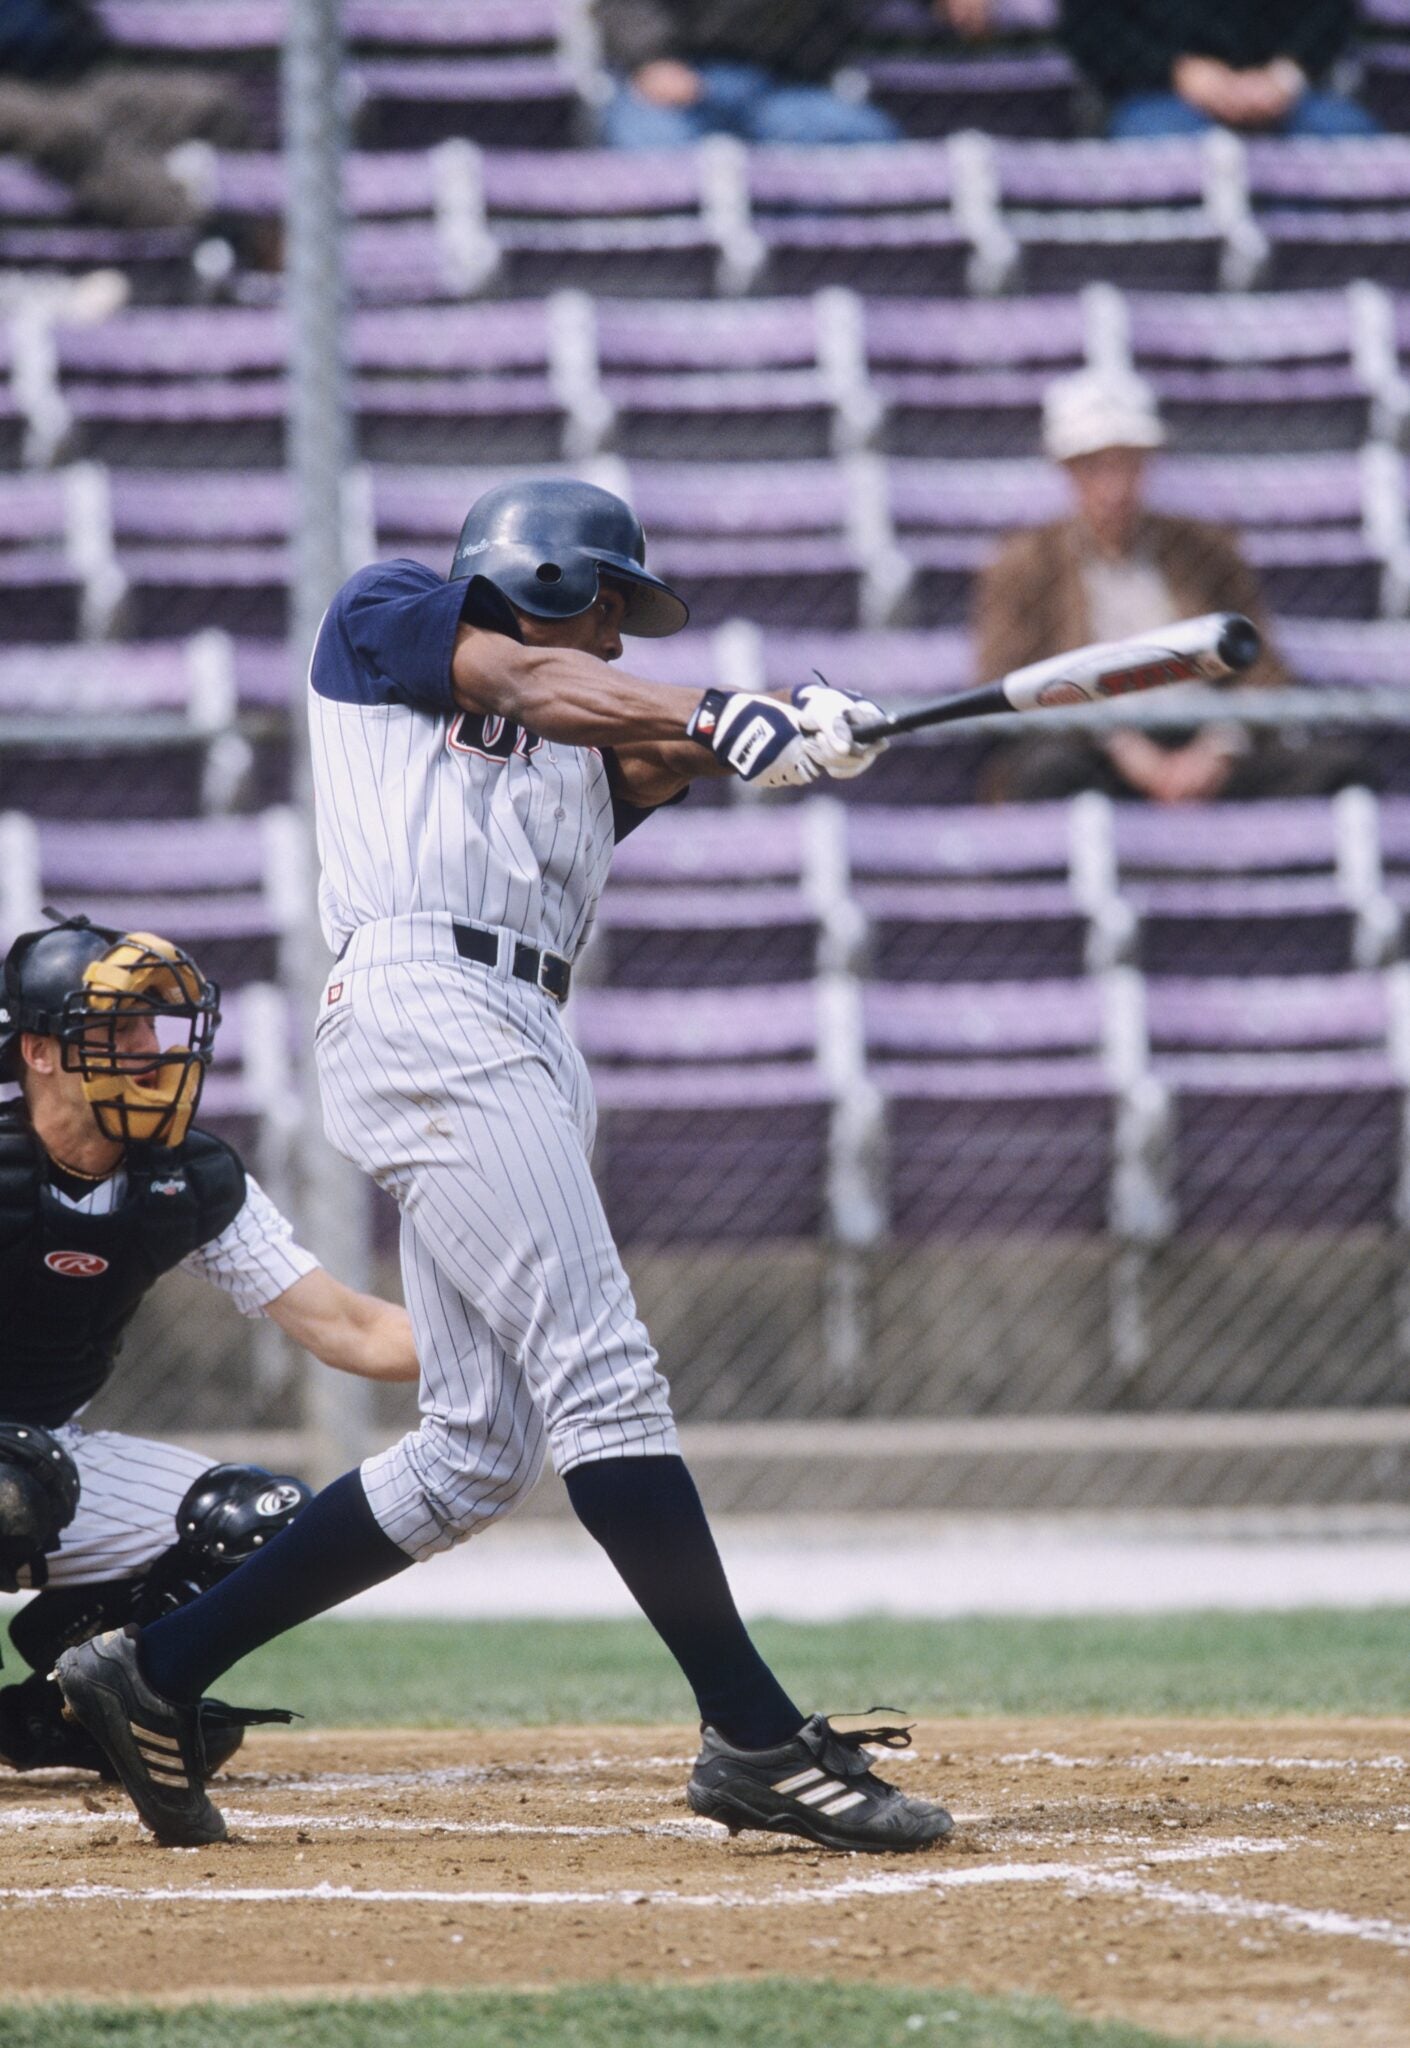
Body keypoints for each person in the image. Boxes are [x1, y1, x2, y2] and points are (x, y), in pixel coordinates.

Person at [55, 478, 954, 1858]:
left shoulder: (587, 736)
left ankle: (156, 1670)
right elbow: (536, 685)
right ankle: (752, 1735)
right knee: (603, 1375)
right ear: (538, 578)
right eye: (602, 605)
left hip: (523, 1028)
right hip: (428, 1005)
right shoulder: (393, 622)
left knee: (475, 1455)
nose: (613, 637)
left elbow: (648, 750)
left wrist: (800, 730)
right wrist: (716, 709)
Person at [0, 914, 418, 1776]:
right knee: (12, 1487)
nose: (149, 1048)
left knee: (260, 1523)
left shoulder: (187, 1177)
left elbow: (350, 1329)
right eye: (116, 1028)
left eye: (152, 1024)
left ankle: (74, 1711)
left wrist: (534, 1353)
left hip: (43, 1459)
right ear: (39, 1052)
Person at [974, 367, 1367, 805]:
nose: (1113, 487)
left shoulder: (1206, 549)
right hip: (1090, 748)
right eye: (1094, 467)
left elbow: (1262, 665)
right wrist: (1119, 746)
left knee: (1336, 769)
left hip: (1204, 729)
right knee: (1046, 775)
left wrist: (1219, 748)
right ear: (1067, 471)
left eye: (1127, 464)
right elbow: (1006, 683)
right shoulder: (1026, 564)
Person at [0, 0, 248, 229]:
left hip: (68, 75)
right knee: (70, 130)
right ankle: (201, 233)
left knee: (213, 108)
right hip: (10, 90)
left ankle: (257, 239)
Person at [595, 0, 900, 149]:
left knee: (866, 135)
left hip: (779, 91)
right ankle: (677, 272)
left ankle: (813, 266)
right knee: (656, 149)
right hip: (680, 81)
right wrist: (653, 60)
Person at [1058, 0, 1380, 140]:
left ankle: (1310, 277)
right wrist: (1177, 72)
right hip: (1159, 96)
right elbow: (1090, 27)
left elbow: (1332, 13)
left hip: (1285, 94)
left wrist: (1285, 75)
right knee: (1166, 145)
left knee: (1348, 139)